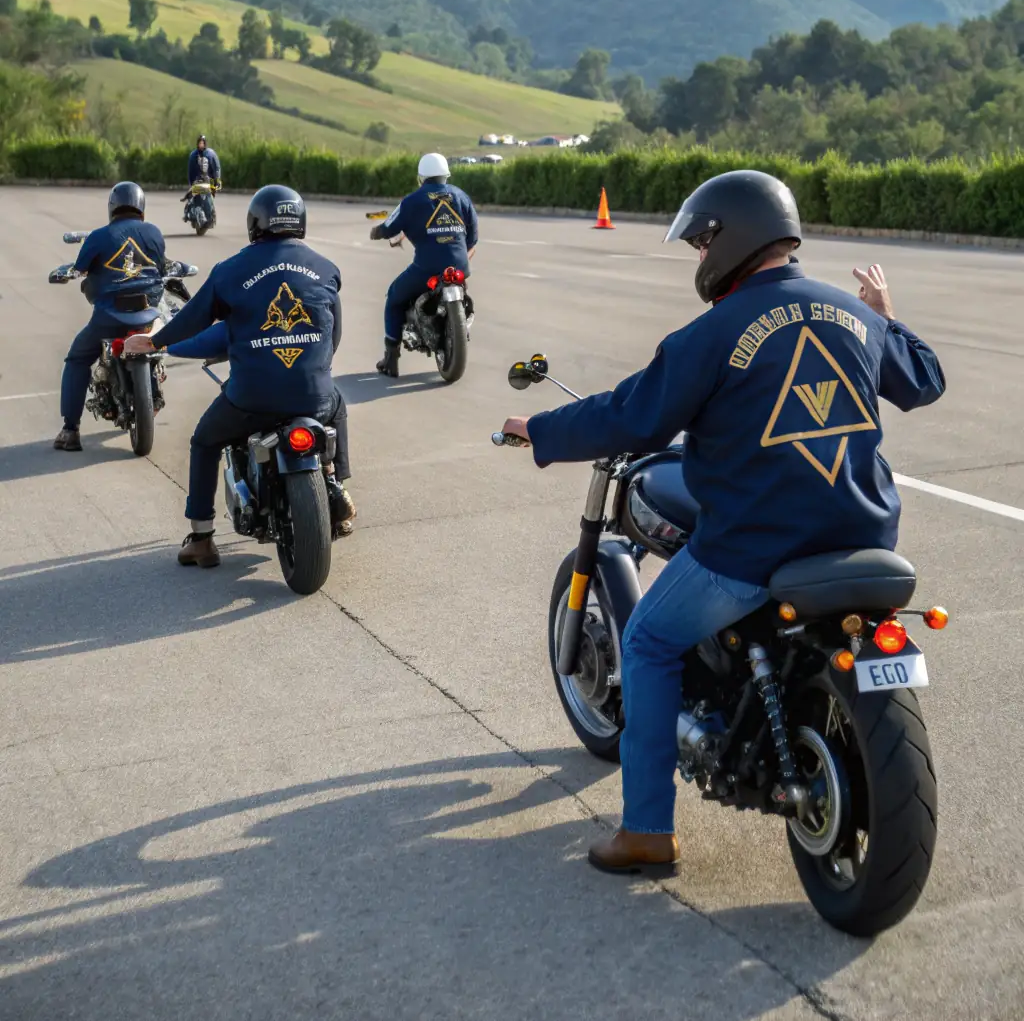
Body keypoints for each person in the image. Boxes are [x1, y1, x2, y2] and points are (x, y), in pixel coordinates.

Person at [500, 169, 946, 876]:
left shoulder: (713, 333)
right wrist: (886, 316)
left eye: (700, 242)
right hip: (864, 538)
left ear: (727, 239)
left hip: (753, 552)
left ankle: (646, 829)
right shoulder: (851, 315)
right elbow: (923, 380)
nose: (697, 257)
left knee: (646, 639)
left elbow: (632, 415)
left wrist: (543, 428)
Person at [124, 185, 354, 567]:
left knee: (204, 441)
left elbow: (193, 320)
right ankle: (337, 484)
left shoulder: (230, 270)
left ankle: (201, 537)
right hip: (314, 393)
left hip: (252, 398)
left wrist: (154, 342)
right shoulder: (326, 268)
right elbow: (334, 335)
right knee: (338, 404)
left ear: (255, 223)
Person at [54, 181, 167, 453]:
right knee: (162, 340)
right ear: (141, 207)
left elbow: (79, 269)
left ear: (112, 207)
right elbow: (162, 266)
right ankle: (154, 388)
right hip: (146, 315)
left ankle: (70, 430)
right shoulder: (153, 233)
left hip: (108, 318)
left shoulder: (98, 236)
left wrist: (64, 272)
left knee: (78, 358)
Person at [369, 152, 479, 377]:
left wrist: (376, 231)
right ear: (446, 175)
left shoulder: (412, 200)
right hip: (460, 267)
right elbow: (473, 238)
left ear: (421, 177)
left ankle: (391, 359)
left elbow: (389, 227)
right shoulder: (461, 196)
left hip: (427, 268)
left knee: (394, 297)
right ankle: (460, 328)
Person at [184, 134, 222, 226]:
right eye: (199, 143)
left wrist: (217, 180)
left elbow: (216, 168)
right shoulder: (193, 155)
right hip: (197, 181)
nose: (201, 145)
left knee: (210, 197)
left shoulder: (211, 154)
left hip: (210, 180)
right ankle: (189, 213)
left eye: (202, 143)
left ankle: (211, 214)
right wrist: (191, 183)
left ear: (205, 144)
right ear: (197, 144)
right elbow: (190, 170)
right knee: (191, 197)